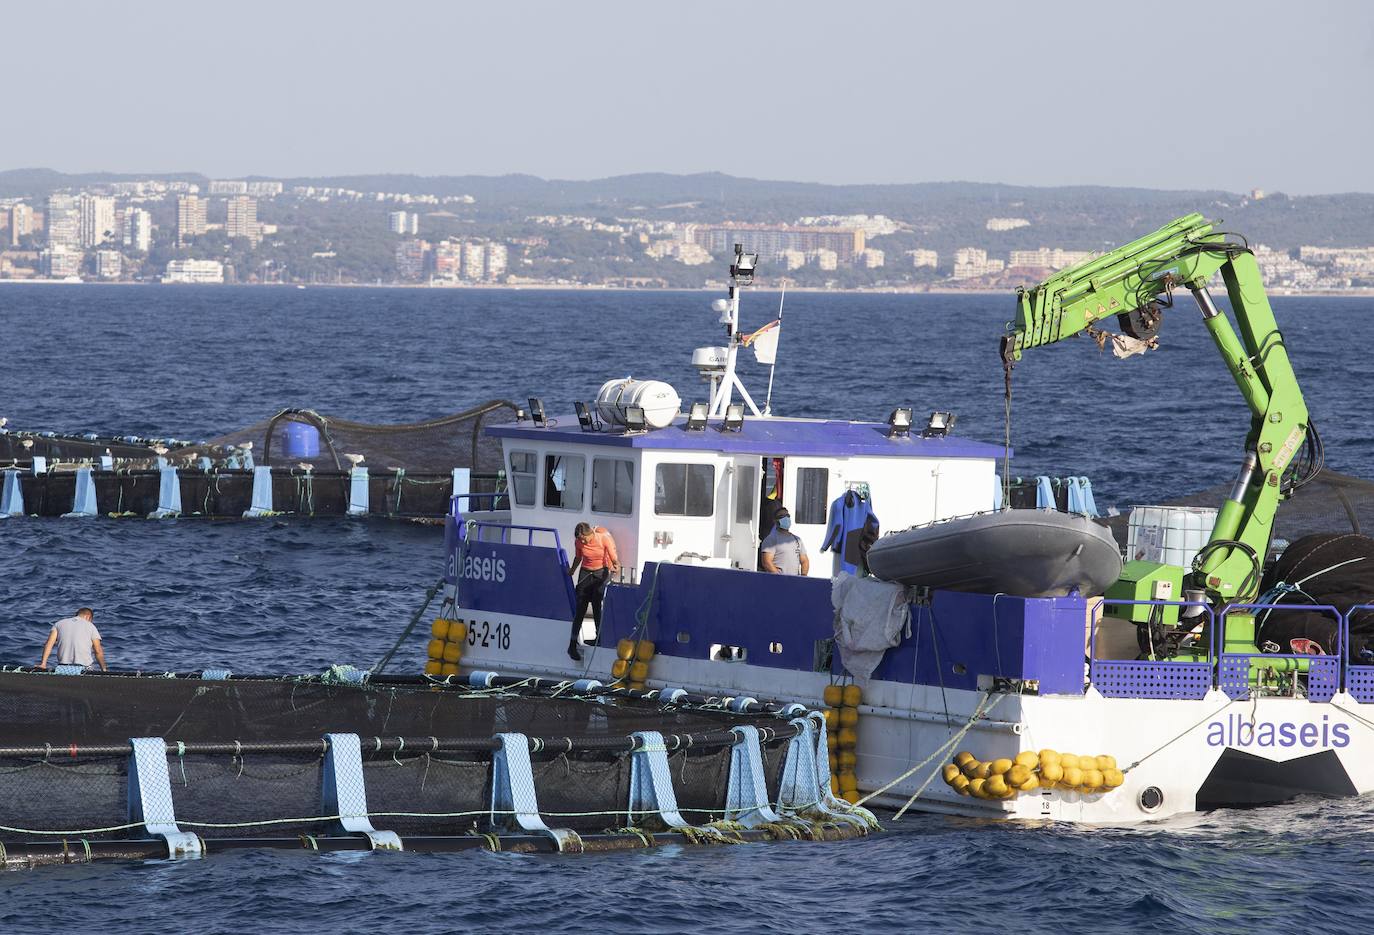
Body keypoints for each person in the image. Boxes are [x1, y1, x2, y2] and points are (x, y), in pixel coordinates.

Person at [567, 522, 619, 661]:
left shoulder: (602, 539)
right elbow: (578, 557)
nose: (583, 542)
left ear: (590, 534)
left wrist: (616, 565)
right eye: (580, 539)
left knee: (597, 606)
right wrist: (572, 570)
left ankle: (599, 638)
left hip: (600, 572)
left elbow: (613, 556)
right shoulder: (578, 542)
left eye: (584, 539)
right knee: (580, 609)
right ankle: (572, 644)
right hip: (586, 573)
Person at [38, 607, 107, 671]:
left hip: (63, 668)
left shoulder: (59, 624)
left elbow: (49, 644)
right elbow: (98, 651)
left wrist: (43, 664)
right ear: (88, 617)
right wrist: (104, 670)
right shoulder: (91, 626)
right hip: (84, 668)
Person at [760, 507, 809, 576]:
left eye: (787, 515)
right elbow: (766, 562)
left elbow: (804, 561)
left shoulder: (797, 540)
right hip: (778, 580)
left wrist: (803, 576)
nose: (786, 518)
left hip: (794, 580)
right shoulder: (771, 539)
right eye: (782, 516)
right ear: (775, 521)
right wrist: (780, 578)